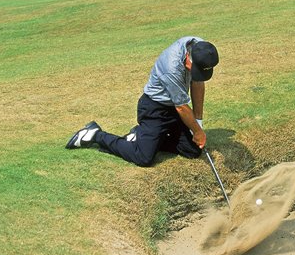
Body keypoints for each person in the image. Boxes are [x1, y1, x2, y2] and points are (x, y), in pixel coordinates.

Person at [66, 37, 219, 168]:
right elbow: (181, 107)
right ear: (188, 59)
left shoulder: (201, 48)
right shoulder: (171, 67)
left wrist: (198, 121)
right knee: (143, 158)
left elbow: (197, 82)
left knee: (192, 149)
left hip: (174, 108)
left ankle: (143, 137)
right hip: (155, 109)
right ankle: (96, 135)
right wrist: (197, 132)